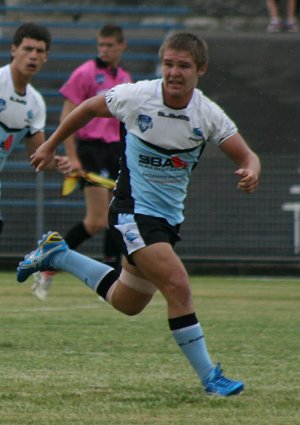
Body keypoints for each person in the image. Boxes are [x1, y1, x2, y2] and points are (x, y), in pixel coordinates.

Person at [17, 32, 261, 397]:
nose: (174, 73)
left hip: (166, 222)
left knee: (127, 301)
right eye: (169, 64)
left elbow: (247, 155)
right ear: (161, 64)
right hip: (132, 213)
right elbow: (85, 108)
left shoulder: (206, 114)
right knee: (178, 285)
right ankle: (211, 378)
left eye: (183, 66)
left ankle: (60, 254)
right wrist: (51, 145)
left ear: (201, 69)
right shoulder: (137, 96)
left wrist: (251, 170)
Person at [32, 24, 132, 301]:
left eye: (110, 45)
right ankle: (50, 261)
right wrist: (73, 156)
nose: (104, 50)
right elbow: (68, 114)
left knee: (115, 218)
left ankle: (112, 280)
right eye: (101, 44)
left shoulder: (124, 77)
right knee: (97, 220)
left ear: (122, 46)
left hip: (114, 152)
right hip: (90, 151)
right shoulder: (86, 72)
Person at [0, 22, 70, 235]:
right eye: (27, 49)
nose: (33, 56)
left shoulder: (36, 103)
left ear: (46, 57)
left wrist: (58, 163)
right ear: (14, 50)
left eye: (39, 51)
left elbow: (38, 156)